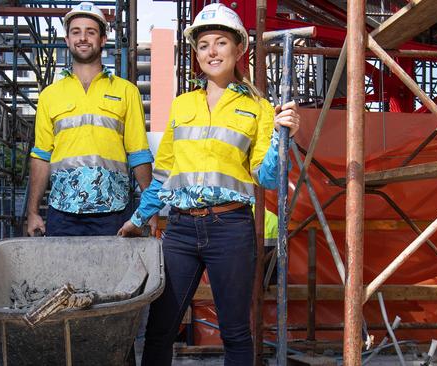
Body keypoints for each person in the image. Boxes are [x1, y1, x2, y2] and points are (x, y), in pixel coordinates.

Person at [118, 3, 300, 365]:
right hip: (181, 230)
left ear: (237, 49)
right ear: (196, 54)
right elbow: (164, 176)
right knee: (160, 329)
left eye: (220, 43)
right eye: (203, 45)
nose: (212, 51)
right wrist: (138, 220)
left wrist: (284, 137)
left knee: (235, 331)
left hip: (231, 228)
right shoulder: (183, 105)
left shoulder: (260, 109)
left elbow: (265, 178)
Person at [26, 2, 155, 237]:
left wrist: (150, 208)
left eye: (91, 32)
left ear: (103, 39)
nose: (83, 38)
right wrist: (33, 212)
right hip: (63, 212)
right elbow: (41, 157)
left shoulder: (126, 91)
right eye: (76, 32)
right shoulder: (50, 96)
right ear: (67, 40)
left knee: (114, 275)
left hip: (113, 212)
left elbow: (139, 153)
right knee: (63, 275)